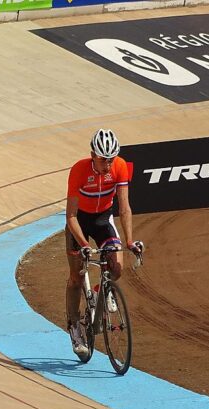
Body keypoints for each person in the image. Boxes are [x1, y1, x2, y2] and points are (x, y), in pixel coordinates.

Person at [65, 128, 142, 360]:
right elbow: (70, 216)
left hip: (102, 220)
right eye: (102, 159)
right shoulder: (79, 171)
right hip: (79, 222)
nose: (107, 164)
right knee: (77, 275)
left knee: (116, 267)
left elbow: (125, 207)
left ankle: (101, 290)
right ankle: (75, 328)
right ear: (92, 155)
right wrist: (83, 244)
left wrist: (129, 240)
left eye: (110, 158)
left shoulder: (119, 167)